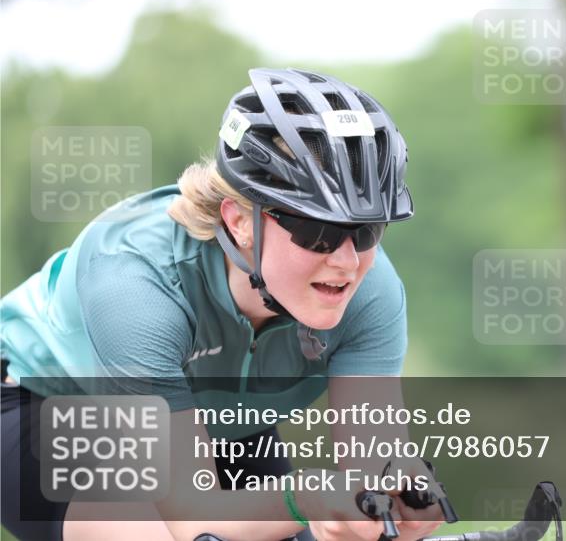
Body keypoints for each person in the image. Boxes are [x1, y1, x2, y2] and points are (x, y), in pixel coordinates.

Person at [1, 68, 441, 541]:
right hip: (45, 401)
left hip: (218, 418)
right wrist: (305, 500)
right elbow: (190, 516)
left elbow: (372, 465)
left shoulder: (369, 289)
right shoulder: (136, 284)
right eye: (321, 232)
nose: (347, 261)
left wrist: (392, 505)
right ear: (240, 221)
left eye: (367, 230)